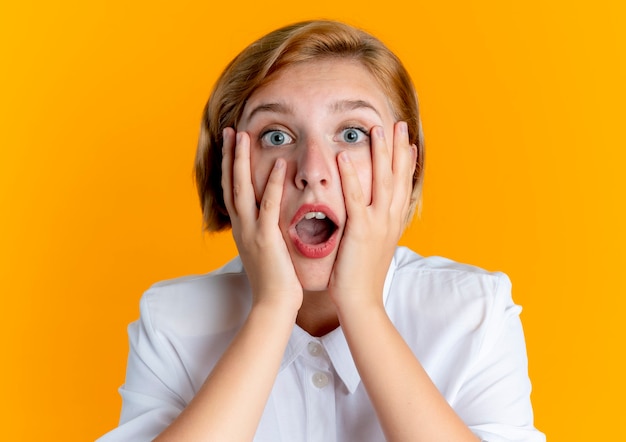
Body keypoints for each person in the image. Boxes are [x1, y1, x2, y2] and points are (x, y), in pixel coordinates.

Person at [98, 20, 545, 442]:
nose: (312, 171)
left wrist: (361, 306)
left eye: (352, 135)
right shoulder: (172, 321)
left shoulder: (475, 315)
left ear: (407, 166)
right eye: (276, 137)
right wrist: (273, 308)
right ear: (227, 170)